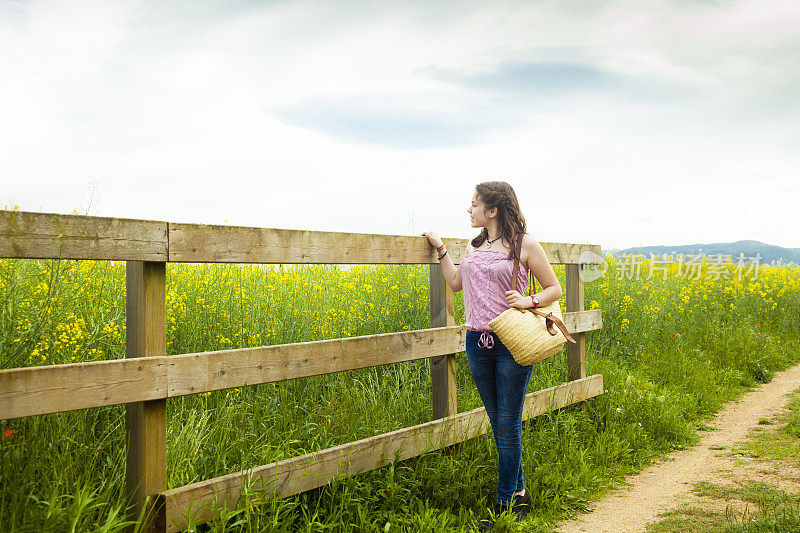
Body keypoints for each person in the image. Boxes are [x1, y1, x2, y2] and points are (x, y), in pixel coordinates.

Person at [421, 181, 564, 530]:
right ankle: (520, 493)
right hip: (477, 341)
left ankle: (504, 505)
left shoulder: (524, 244)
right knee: (498, 420)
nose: (468, 210)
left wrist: (529, 301)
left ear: (493, 210)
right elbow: (456, 283)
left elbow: (554, 289)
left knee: (507, 421)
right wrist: (440, 248)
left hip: (511, 341)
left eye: (473, 204)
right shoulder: (475, 244)